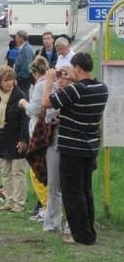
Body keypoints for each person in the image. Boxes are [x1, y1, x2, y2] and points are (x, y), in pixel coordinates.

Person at [42, 52, 108, 245]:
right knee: (85, 190)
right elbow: (80, 106)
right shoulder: (101, 88)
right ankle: (89, 230)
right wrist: (71, 78)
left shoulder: (75, 91)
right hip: (89, 148)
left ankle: (81, 235)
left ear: (78, 68)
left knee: (72, 193)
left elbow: (47, 103)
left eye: (72, 69)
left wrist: (48, 82)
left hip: (72, 149)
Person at [0, 65, 29, 212]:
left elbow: (25, 119)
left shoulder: (20, 95)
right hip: (1, 138)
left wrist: (24, 139)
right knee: (5, 172)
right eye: (6, 80)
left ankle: (19, 203)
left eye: (11, 79)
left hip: (17, 138)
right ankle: (9, 201)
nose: (9, 83)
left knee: (17, 172)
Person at [41, 65, 76, 233]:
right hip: (55, 141)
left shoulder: (77, 93)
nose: (60, 80)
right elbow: (47, 113)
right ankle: (52, 223)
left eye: (64, 77)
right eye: (59, 76)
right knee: (53, 184)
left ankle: (71, 224)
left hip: (72, 143)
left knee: (70, 186)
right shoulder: (57, 94)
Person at [19, 56, 51, 222]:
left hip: (37, 133)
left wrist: (24, 103)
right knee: (45, 171)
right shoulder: (52, 82)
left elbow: (35, 109)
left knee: (36, 172)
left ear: (35, 72)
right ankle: (47, 206)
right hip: (48, 133)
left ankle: (45, 206)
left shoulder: (40, 85)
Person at [13, 30, 35, 96]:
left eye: (16, 37)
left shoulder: (27, 49)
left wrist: (17, 77)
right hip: (22, 78)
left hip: (23, 79)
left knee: (23, 96)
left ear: (21, 38)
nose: (15, 39)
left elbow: (27, 67)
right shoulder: (23, 48)